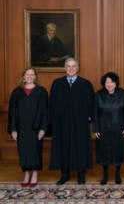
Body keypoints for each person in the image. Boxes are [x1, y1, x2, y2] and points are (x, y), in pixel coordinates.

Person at [48, 57, 94, 185]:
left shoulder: (86, 84)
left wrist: (89, 118)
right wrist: (52, 121)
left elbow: (91, 104)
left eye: (73, 66)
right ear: (65, 68)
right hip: (61, 123)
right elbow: (51, 104)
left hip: (80, 123)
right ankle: (64, 174)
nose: (71, 68)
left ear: (77, 68)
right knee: (63, 146)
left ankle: (81, 174)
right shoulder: (57, 83)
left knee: (80, 147)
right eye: (68, 66)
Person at [7, 67, 48, 187]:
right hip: (21, 128)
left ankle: (35, 173)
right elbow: (12, 112)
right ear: (23, 77)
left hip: (36, 127)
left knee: (35, 151)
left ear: (35, 77)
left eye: (32, 74)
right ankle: (26, 174)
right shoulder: (17, 92)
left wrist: (43, 128)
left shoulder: (41, 91)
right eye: (27, 74)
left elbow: (45, 111)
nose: (29, 76)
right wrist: (13, 129)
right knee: (23, 151)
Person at [93, 72, 124, 185]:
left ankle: (118, 173)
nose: (109, 84)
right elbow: (95, 113)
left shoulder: (123, 94)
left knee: (118, 151)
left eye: (112, 82)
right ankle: (105, 174)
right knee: (104, 152)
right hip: (103, 128)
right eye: (107, 82)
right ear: (104, 83)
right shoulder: (98, 94)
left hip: (119, 128)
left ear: (116, 83)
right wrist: (96, 128)